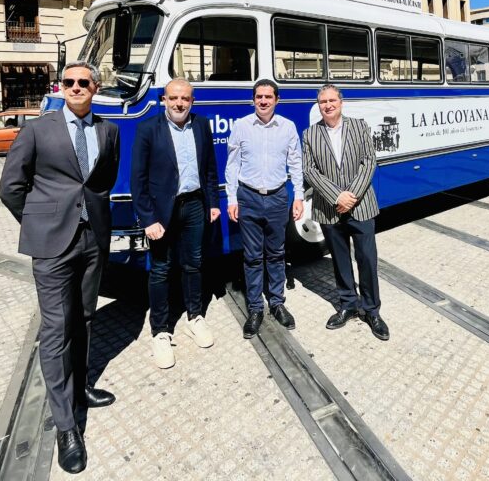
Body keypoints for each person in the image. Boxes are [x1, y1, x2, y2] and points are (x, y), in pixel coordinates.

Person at [0, 61, 120, 474]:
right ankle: (67, 426)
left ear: (95, 87)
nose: (75, 87)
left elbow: (101, 183)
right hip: (51, 245)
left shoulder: (109, 130)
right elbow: (10, 187)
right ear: (60, 87)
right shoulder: (37, 129)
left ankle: (81, 386)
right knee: (55, 330)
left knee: (84, 318)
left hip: (92, 241)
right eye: (68, 82)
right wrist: (40, 222)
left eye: (83, 82)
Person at [130, 78, 220, 369]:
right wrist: (148, 219)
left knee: (194, 263)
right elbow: (138, 180)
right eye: (174, 98)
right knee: (160, 269)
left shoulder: (202, 125)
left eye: (185, 99)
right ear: (164, 100)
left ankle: (195, 317)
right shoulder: (148, 129)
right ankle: (160, 331)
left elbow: (209, 169)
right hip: (162, 211)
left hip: (195, 205)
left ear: (192, 101)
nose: (180, 103)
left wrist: (214, 204)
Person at [302, 84, 389, 341]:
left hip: (361, 205)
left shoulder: (359, 126)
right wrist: (336, 196)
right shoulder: (310, 134)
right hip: (329, 209)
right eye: (322, 102)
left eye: (332, 100)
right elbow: (309, 170)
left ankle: (372, 311)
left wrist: (351, 196)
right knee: (340, 260)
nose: (327, 105)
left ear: (341, 102)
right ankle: (348, 304)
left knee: (367, 259)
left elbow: (369, 161)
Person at [226, 79, 304, 339]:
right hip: (248, 198)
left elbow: (295, 164)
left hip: (278, 198)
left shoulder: (288, 127)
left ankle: (277, 303)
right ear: (253, 99)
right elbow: (232, 166)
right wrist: (231, 199)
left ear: (277, 100)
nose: (263, 101)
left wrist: (299, 197)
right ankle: (256, 309)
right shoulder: (241, 126)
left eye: (268, 97)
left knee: (276, 253)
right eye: (259, 96)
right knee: (252, 256)